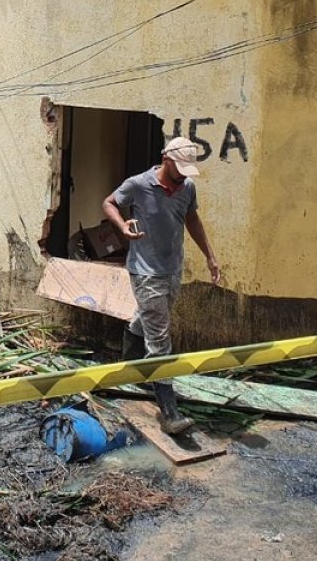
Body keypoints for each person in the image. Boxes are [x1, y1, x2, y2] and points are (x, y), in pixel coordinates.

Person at [102, 136, 221, 434]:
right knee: (160, 338)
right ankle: (169, 413)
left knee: (149, 317)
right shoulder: (139, 184)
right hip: (145, 272)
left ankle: (128, 365)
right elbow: (110, 203)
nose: (182, 174)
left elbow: (191, 219)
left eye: (186, 170)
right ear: (165, 159)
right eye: (178, 168)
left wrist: (210, 255)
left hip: (172, 269)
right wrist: (122, 225)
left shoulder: (187, 188)